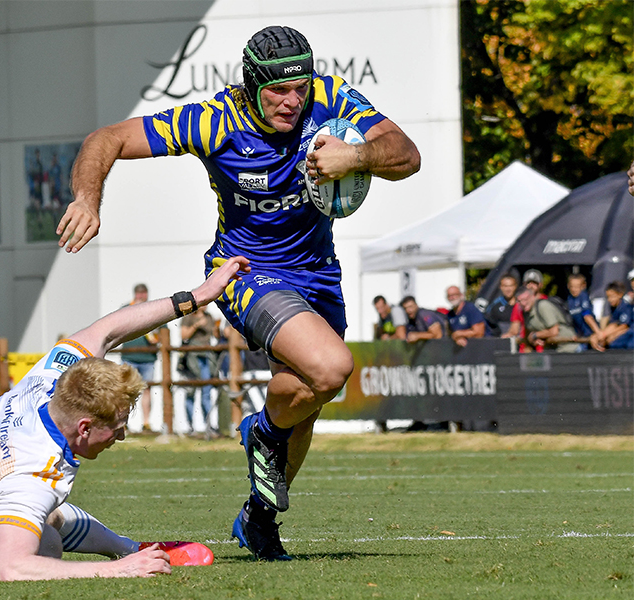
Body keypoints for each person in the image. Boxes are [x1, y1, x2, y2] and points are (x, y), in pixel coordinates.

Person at [58, 25, 420, 561]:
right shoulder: (214, 120)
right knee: (330, 368)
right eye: (277, 89)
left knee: (303, 400)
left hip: (319, 273)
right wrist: (89, 200)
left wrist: (355, 156)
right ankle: (263, 433)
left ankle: (259, 515)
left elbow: (406, 154)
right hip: (246, 272)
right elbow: (104, 140)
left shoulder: (330, 96)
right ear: (251, 85)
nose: (292, 100)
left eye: (300, 87)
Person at [0, 255, 248, 580]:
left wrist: (196, 297)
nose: (123, 436)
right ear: (85, 426)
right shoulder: (33, 471)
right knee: (45, 546)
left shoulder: (49, 382)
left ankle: (128, 544)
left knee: (38, 516)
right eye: (117, 427)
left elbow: (107, 330)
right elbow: (13, 569)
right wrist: (121, 572)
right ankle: (125, 554)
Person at [119, 283, 158, 433]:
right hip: (129, 356)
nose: (141, 296)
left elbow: (162, 331)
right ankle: (123, 422)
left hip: (148, 358)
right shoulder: (126, 309)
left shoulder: (154, 309)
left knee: (147, 390)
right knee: (125, 390)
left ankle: (146, 423)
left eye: (144, 293)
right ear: (135, 294)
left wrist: (158, 339)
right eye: (139, 293)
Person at [179, 306, 217, 435]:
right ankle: (191, 426)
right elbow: (184, 335)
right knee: (191, 392)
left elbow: (215, 335)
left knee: (206, 392)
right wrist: (196, 325)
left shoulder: (209, 317)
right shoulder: (188, 318)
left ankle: (208, 426)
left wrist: (216, 328)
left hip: (206, 356)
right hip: (192, 356)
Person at [515, 286, 579, 353]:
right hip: (552, 350)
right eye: (520, 301)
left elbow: (554, 331)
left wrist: (535, 335)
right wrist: (535, 340)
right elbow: (529, 335)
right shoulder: (525, 313)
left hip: (569, 347)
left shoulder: (543, 306)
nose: (523, 303)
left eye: (525, 299)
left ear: (533, 297)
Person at [504, 269, 547, 344]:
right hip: (525, 347)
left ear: (540, 285)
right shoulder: (519, 305)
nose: (530, 286)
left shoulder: (546, 302)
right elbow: (514, 329)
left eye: (534, 283)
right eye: (528, 283)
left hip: (544, 346)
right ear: (524, 284)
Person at [590, 281, 634, 351]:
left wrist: (605, 335)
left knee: (614, 344)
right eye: (608, 297)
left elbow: (624, 326)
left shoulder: (625, 307)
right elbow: (614, 324)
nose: (610, 300)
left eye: (612, 296)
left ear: (620, 295)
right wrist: (602, 335)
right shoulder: (614, 308)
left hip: (630, 334)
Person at [566, 273, 601, 345]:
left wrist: (598, 333)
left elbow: (587, 316)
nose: (574, 289)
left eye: (577, 287)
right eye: (572, 286)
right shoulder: (570, 299)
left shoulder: (583, 296)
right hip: (581, 336)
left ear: (583, 286)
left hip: (591, 333)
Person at [483, 272, 518, 337]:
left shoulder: (522, 304)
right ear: (500, 287)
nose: (508, 289)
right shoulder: (495, 305)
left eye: (511, 286)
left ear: (515, 286)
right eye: (505, 286)